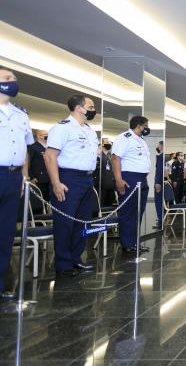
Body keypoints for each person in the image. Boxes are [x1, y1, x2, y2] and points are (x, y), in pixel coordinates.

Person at [46, 94, 98, 276]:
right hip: (68, 178)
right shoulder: (62, 128)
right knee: (65, 223)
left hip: (86, 179)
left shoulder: (90, 130)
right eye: (91, 106)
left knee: (82, 222)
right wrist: (56, 182)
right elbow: (50, 156)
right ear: (79, 108)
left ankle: (76, 259)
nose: (94, 109)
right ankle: (63, 264)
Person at [0, 67, 33, 298]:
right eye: (7, 78)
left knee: (6, 233)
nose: (13, 81)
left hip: (13, 177)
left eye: (14, 78)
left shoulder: (21, 114)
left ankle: (0, 284)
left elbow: (25, 150)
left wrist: (23, 176)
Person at [111, 115, 151, 253]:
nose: (147, 128)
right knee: (128, 212)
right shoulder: (124, 138)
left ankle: (135, 242)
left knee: (138, 212)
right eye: (146, 126)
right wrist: (118, 179)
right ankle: (127, 244)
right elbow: (116, 158)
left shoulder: (141, 140)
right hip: (129, 177)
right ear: (139, 125)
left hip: (141, 178)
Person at [28, 129, 50, 200]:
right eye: (45, 135)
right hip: (38, 179)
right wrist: (31, 177)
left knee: (47, 200)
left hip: (48, 179)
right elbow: (28, 163)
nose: (47, 136)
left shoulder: (49, 148)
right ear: (38, 136)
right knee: (38, 200)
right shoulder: (33, 147)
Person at [99, 141, 116, 207]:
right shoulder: (99, 155)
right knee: (102, 203)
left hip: (110, 184)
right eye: (107, 143)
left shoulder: (109, 155)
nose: (108, 145)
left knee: (110, 203)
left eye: (110, 144)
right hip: (102, 184)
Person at [154, 141, 164, 230]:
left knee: (158, 202)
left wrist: (157, 182)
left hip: (159, 182)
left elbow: (159, 171)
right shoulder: (163, 157)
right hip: (161, 181)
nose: (157, 147)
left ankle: (160, 222)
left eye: (158, 146)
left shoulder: (161, 157)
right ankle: (161, 221)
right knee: (160, 202)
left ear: (161, 146)